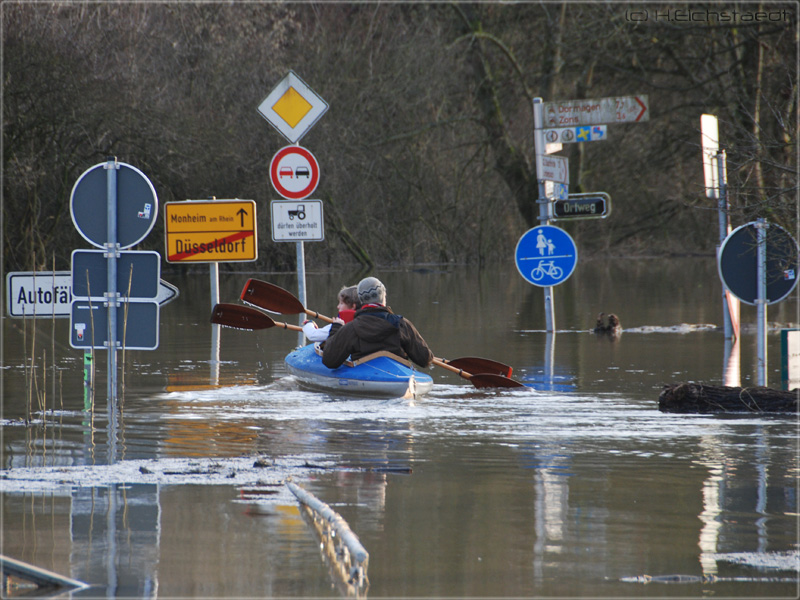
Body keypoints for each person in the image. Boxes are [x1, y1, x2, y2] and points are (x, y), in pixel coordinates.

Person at [321, 276, 433, 369]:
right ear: (383, 297)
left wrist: (336, 329)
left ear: (361, 300)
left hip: (365, 378)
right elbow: (425, 360)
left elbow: (329, 360)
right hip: (398, 378)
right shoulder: (401, 324)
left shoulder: (351, 328)